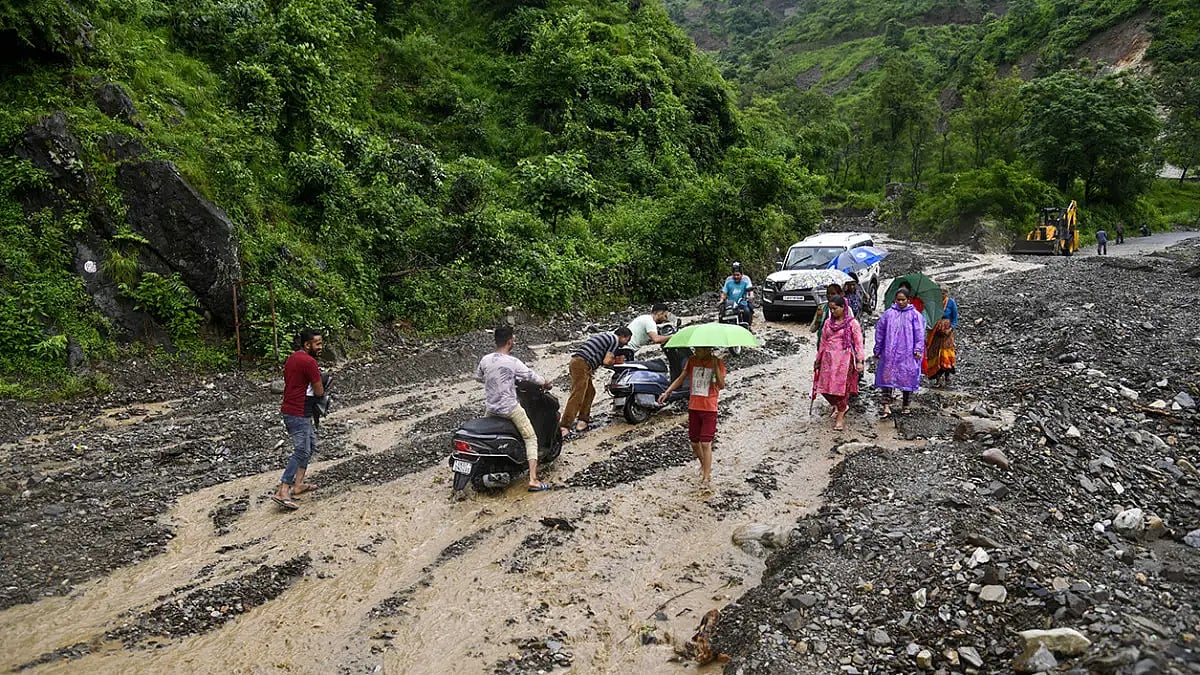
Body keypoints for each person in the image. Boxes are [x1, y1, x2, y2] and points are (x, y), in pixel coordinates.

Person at [475, 326, 554, 492]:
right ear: (510, 341)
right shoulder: (513, 362)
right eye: (514, 339)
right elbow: (531, 376)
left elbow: (479, 377)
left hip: (491, 407)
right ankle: (533, 479)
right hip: (509, 408)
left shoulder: (485, 359)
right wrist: (546, 382)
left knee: (483, 437)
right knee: (531, 437)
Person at [272, 329, 326, 510]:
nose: (320, 347)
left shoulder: (293, 358)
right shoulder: (310, 362)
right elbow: (319, 391)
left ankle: (299, 484)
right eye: (317, 344)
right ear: (307, 345)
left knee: (310, 444)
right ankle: (283, 489)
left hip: (291, 408)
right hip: (299, 411)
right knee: (302, 450)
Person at [658, 346, 726, 488]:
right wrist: (667, 392)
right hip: (694, 407)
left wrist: (716, 368)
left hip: (709, 408)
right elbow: (681, 378)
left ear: (708, 350)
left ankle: (706, 478)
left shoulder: (717, 362)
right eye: (695, 350)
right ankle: (704, 465)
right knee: (695, 443)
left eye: (699, 350)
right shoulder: (692, 361)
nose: (696, 352)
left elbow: (721, 385)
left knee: (706, 443)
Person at [561, 327, 632, 436]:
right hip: (581, 364)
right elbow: (606, 361)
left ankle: (583, 421)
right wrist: (616, 364)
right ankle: (565, 426)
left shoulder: (606, 336)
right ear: (622, 336)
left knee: (590, 392)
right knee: (578, 394)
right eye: (627, 340)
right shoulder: (614, 340)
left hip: (579, 362)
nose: (626, 344)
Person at [813, 296, 865, 431]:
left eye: (835, 308)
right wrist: (818, 360)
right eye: (831, 309)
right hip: (828, 359)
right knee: (824, 388)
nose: (833, 311)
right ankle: (840, 406)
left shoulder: (852, 324)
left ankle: (840, 417)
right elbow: (823, 342)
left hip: (844, 360)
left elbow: (859, 343)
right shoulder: (827, 324)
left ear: (843, 308)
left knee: (841, 390)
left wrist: (860, 361)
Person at [874, 288, 925, 415]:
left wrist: (918, 349)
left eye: (903, 300)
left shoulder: (915, 315)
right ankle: (886, 405)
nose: (901, 302)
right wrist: (878, 348)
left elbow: (919, 333)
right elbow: (880, 331)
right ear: (895, 300)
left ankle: (906, 403)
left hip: (907, 353)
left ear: (908, 300)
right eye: (898, 300)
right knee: (887, 378)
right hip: (889, 352)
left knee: (907, 377)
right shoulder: (888, 314)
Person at [922, 288, 958, 388]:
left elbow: (954, 318)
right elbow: (928, 317)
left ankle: (947, 376)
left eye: (944, 292)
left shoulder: (950, 303)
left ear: (947, 293)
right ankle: (938, 379)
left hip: (947, 334)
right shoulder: (933, 303)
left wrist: (950, 329)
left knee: (946, 354)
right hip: (935, 333)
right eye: (940, 292)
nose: (942, 294)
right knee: (935, 354)